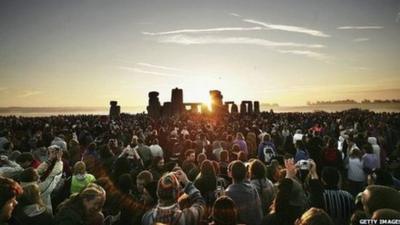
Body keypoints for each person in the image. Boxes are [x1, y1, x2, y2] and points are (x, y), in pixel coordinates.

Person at [141, 170, 206, 225]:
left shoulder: (147, 217)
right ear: (177, 194)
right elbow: (200, 202)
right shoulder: (185, 218)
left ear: (158, 192)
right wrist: (187, 182)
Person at [225, 160, 262, 225]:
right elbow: (259, 212)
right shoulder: (253, 189)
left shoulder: (228, 193)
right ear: (245, 173)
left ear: (231, 174)